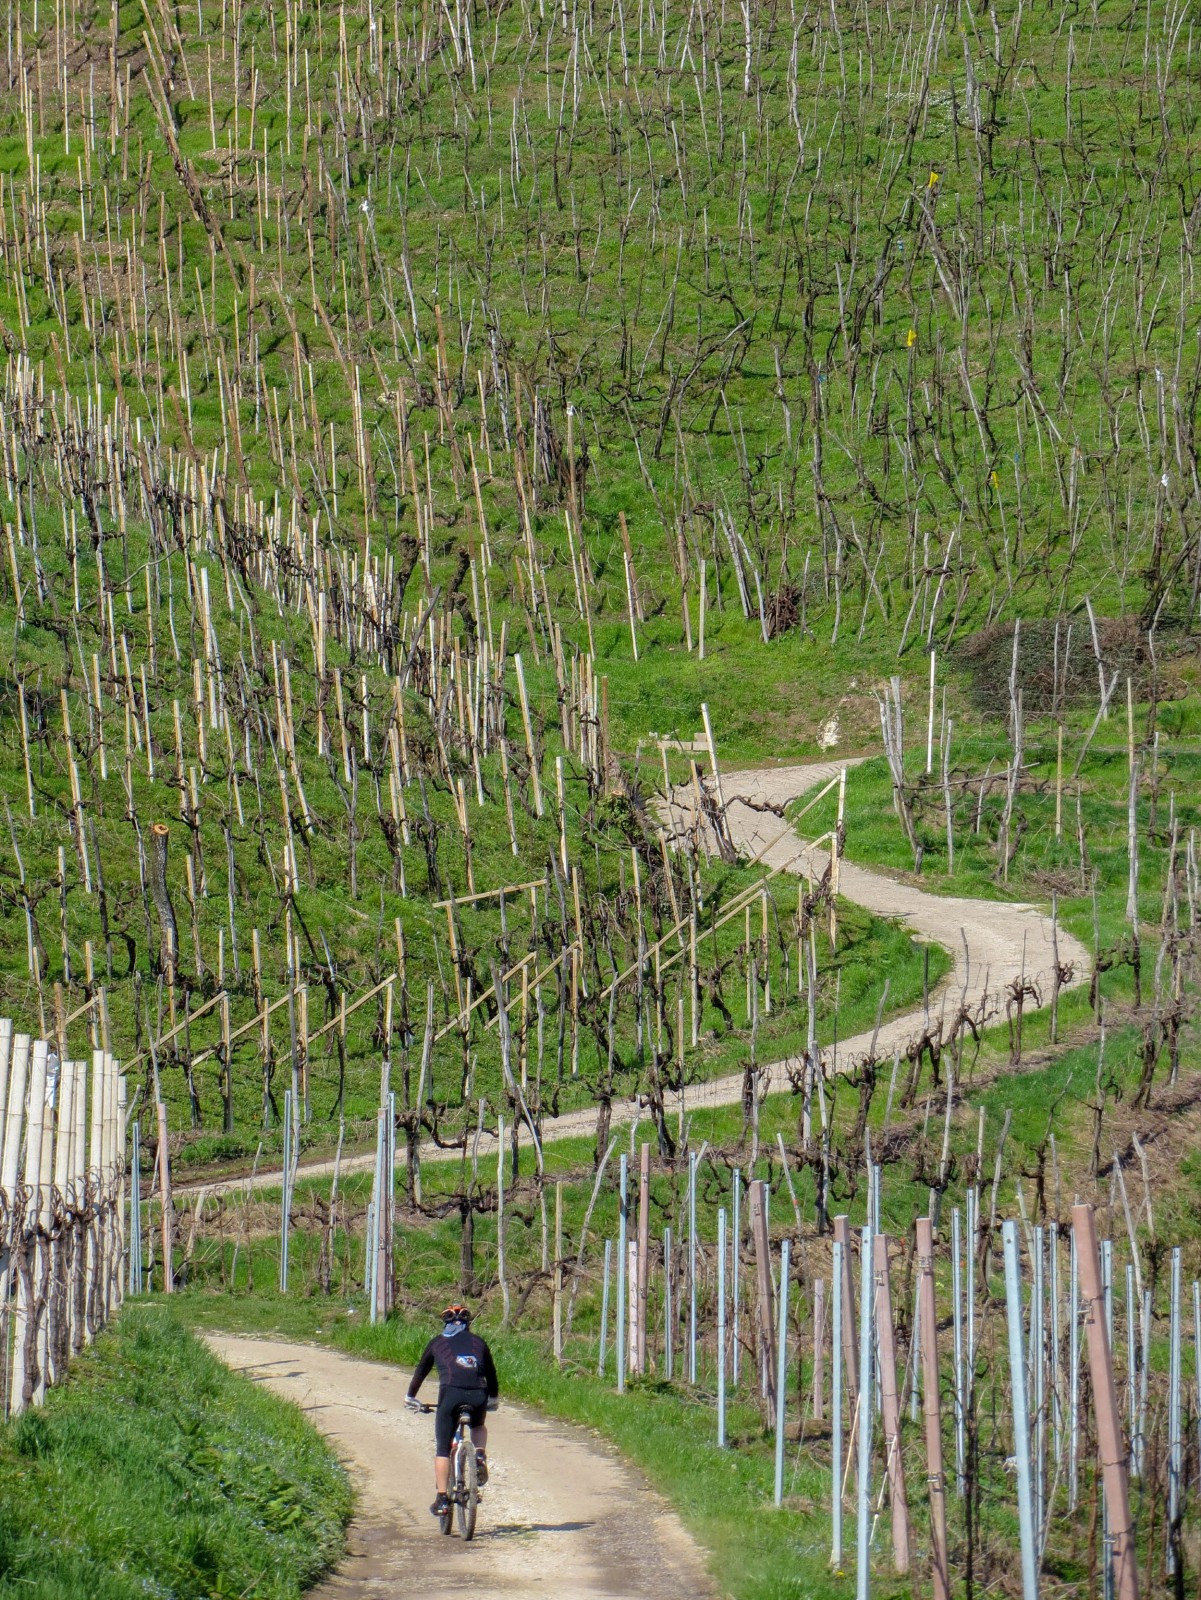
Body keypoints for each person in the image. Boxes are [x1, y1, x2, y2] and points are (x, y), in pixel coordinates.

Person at [405, 1303, 499, 1517]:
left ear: (445, 1323)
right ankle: (480, 1456)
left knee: (442, 1447)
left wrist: (410, 1396)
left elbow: (421, 1372)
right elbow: (491, 1374)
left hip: (451, 1395)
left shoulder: (438, 1342)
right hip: (478, 1394)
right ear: (467, 1324)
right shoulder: (479, 1342)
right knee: (478, 1424)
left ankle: (442, 1499)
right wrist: (492, 1399)